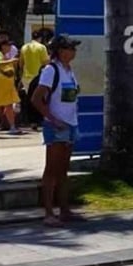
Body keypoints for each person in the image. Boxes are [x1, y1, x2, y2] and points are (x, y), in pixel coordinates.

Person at [32, 34, 85, 226]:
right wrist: (53, 119)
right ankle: (48, 212)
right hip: (56, 126)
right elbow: (36, 99)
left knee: (63, 170)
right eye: (71, 48)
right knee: (51, 169)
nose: (74, 51)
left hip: (70, 124)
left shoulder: (69, 70)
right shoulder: (50, 70)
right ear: (61, 51)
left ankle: (64, 209)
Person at [21, 26, 52, 127]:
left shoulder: (24, 47)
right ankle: (38, 120)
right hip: (38, 76)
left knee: (28, 100)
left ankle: (29, 120)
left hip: (26, 77)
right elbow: (46, 62)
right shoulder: (42, 48)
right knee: (39, 99)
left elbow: (21, 63)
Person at [0, 30, 22, 135]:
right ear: (2, 46)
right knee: (6, 105)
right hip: (2, 85)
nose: (10, 47)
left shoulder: (5, 55)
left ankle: (6, 124)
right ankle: (11, 126)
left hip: (7, 84)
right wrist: (11, 61)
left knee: (6, 105)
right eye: (7, 45)